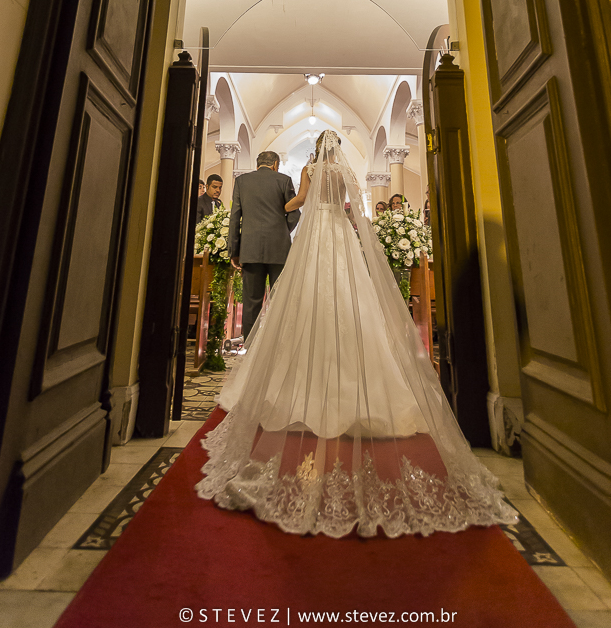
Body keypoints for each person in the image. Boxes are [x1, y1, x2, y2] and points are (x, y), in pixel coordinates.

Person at [197, 130, 516, 539]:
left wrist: (283, 206)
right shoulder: (345, 171)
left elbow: (300, 203)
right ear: (340, 149)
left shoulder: (310, 169)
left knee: (300, 300)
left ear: (315, 150)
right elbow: (355, 209)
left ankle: (292, 372)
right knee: (350, 299)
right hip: (341, 237)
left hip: (313, 239)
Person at [227, 151, 300, 340]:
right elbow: (294, 214)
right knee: (279, 300)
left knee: (251, 301)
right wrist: (282, 231)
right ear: (276, 164)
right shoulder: (284, 180)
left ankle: (250, 346)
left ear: (257, 163)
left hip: (250, 249)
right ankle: (277, 343)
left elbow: (235, 217)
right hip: (279, 249)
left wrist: (234, 250)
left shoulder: (242, 182)